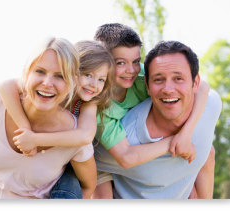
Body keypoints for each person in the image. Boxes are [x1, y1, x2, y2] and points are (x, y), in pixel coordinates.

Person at [0, 37, 97, 199]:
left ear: (73, 82)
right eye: (40, 71)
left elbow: (88, 187)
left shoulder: (74, 138)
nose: (47, 83)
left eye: (60, 76)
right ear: (26, 73)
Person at [91, 23, 214, 199]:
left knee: (206, 152)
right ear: (102, 62)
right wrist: (174, 142)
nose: (130, 70)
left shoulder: (141, 77)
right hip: (106, 156)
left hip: (141, 141)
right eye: (120, 63)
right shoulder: (99, 104)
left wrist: (185, 135)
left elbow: (202, 86)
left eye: (135, 61)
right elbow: (126, 157)